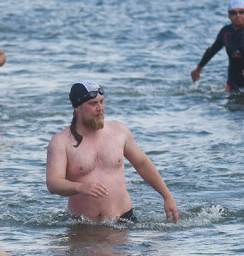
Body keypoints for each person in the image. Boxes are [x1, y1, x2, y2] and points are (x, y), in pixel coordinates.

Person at [46, 80, 179, 224]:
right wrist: (80, 187)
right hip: (81, 225)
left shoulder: (119, 132)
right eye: (93, 104)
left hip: (123, 220)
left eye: (102, 102)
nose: (100, 108)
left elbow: (142, 164)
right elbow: (53, 183)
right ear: (77, 107)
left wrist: (167, 196)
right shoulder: (61, 141)